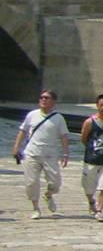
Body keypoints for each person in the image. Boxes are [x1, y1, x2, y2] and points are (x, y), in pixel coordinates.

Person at [13, 88, 70, 219]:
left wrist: (65, 153)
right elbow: (23, 131)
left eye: (46, 98)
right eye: (41, 98)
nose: (43, 100)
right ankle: (35, 208)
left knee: (55, 183)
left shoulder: (58, 118)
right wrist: (16, 147)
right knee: (31, 183)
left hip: (50, 155)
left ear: (53, 102)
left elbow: (64, 136)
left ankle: (49, 195)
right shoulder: (32, 115)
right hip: (32, 153)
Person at [80, 93, 103, 222]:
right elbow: (84, 138)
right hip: (91, 160)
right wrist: (91, 149)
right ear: (97, 106)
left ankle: (99, 210)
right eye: (101, 105)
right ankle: (91, 201)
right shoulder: (89, 122)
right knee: (88, 188)